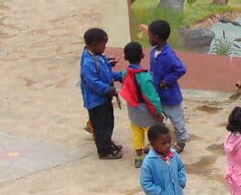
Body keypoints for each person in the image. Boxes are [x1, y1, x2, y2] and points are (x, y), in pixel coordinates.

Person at [79, 27, 123, 159]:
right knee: (101, 126)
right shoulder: (88, 63)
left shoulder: (98, 57)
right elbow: (93, 82)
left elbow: (104, 71)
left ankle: (107, 143)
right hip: (96, 101)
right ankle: (104, 151)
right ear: (94, 45)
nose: (105, 47)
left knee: (108, 122)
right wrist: (108, 89)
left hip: (104, 99)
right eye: (104, 44)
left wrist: (113, 69)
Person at [118, 41, 164, 169]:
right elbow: (152, 98)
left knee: (136, 132)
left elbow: (117, 76)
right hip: (146, 112)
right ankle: (155, 156)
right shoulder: (144, 77)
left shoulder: (125, 73)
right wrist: (158, 112)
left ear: (125, 58)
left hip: (132, 110)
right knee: (153, 134)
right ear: (142, 55)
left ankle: (138, 157)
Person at [148, 20, 189, 153]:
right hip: (157, 96)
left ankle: (181, 141)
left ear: (156, 37)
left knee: (177, 121)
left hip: (170, 97)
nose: (148, 38)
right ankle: (159, 142)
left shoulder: (169, 55)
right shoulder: (152, 51)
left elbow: (181, 69)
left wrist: (167, 81)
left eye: (149, 35)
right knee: (158, 120)